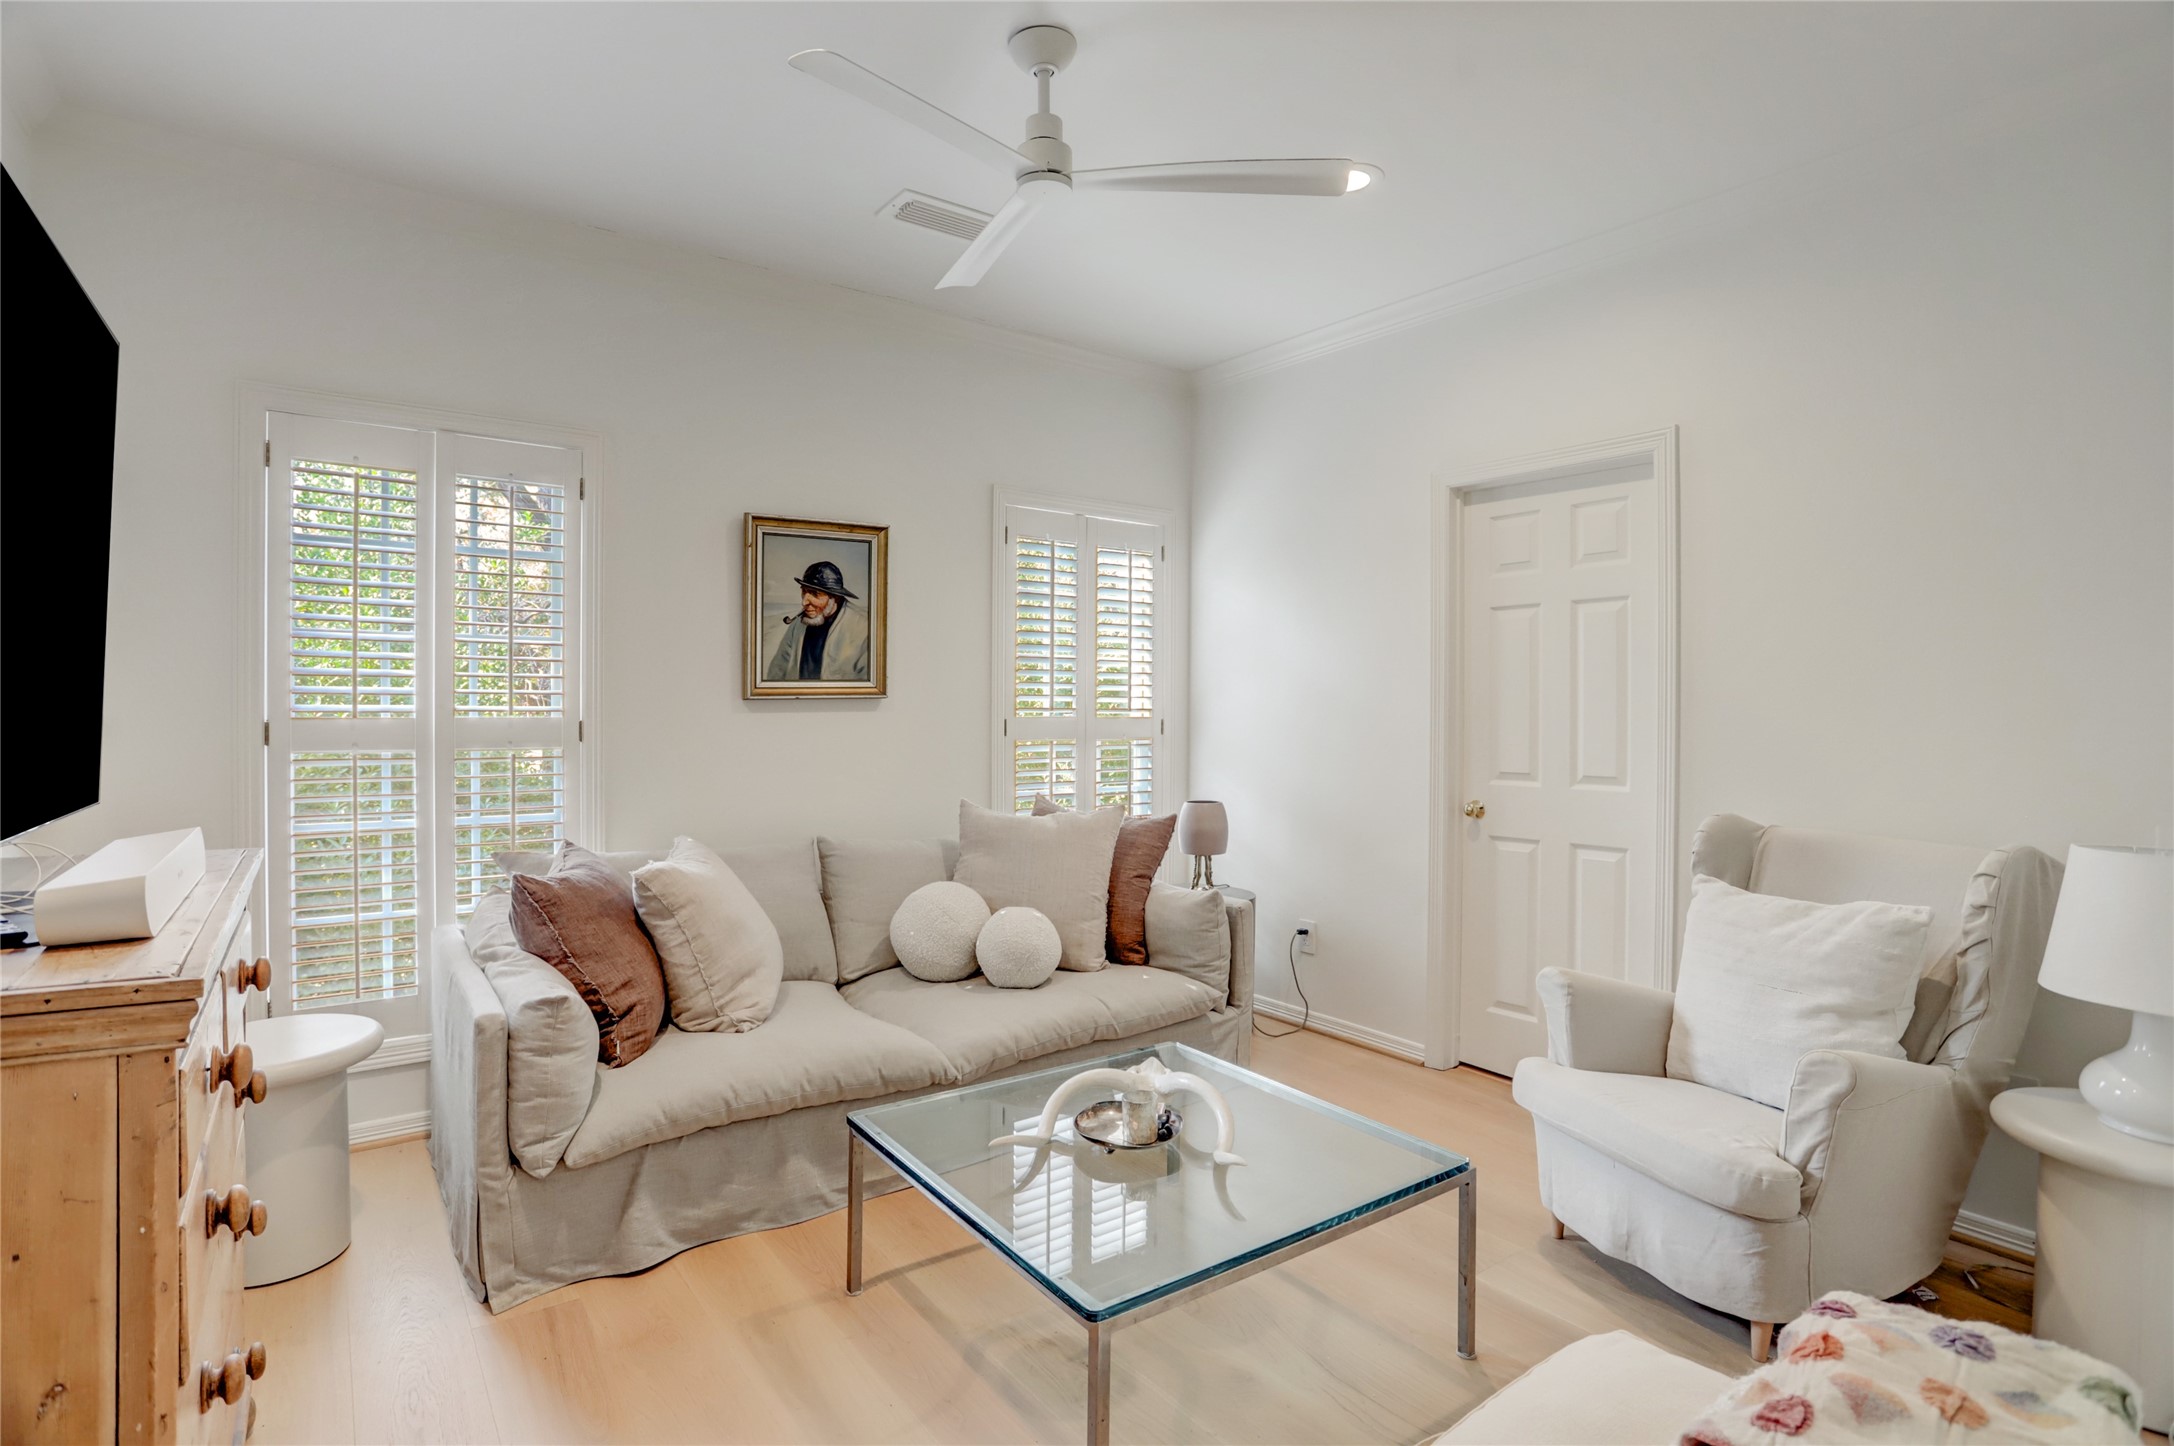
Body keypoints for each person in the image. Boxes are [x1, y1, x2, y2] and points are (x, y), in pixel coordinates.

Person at [763, 560, 871, 683]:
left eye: (815, 593)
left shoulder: (863, 628)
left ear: (835, 597)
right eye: (804, 591)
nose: (804, 602)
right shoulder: (797, 624)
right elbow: (778, 669)